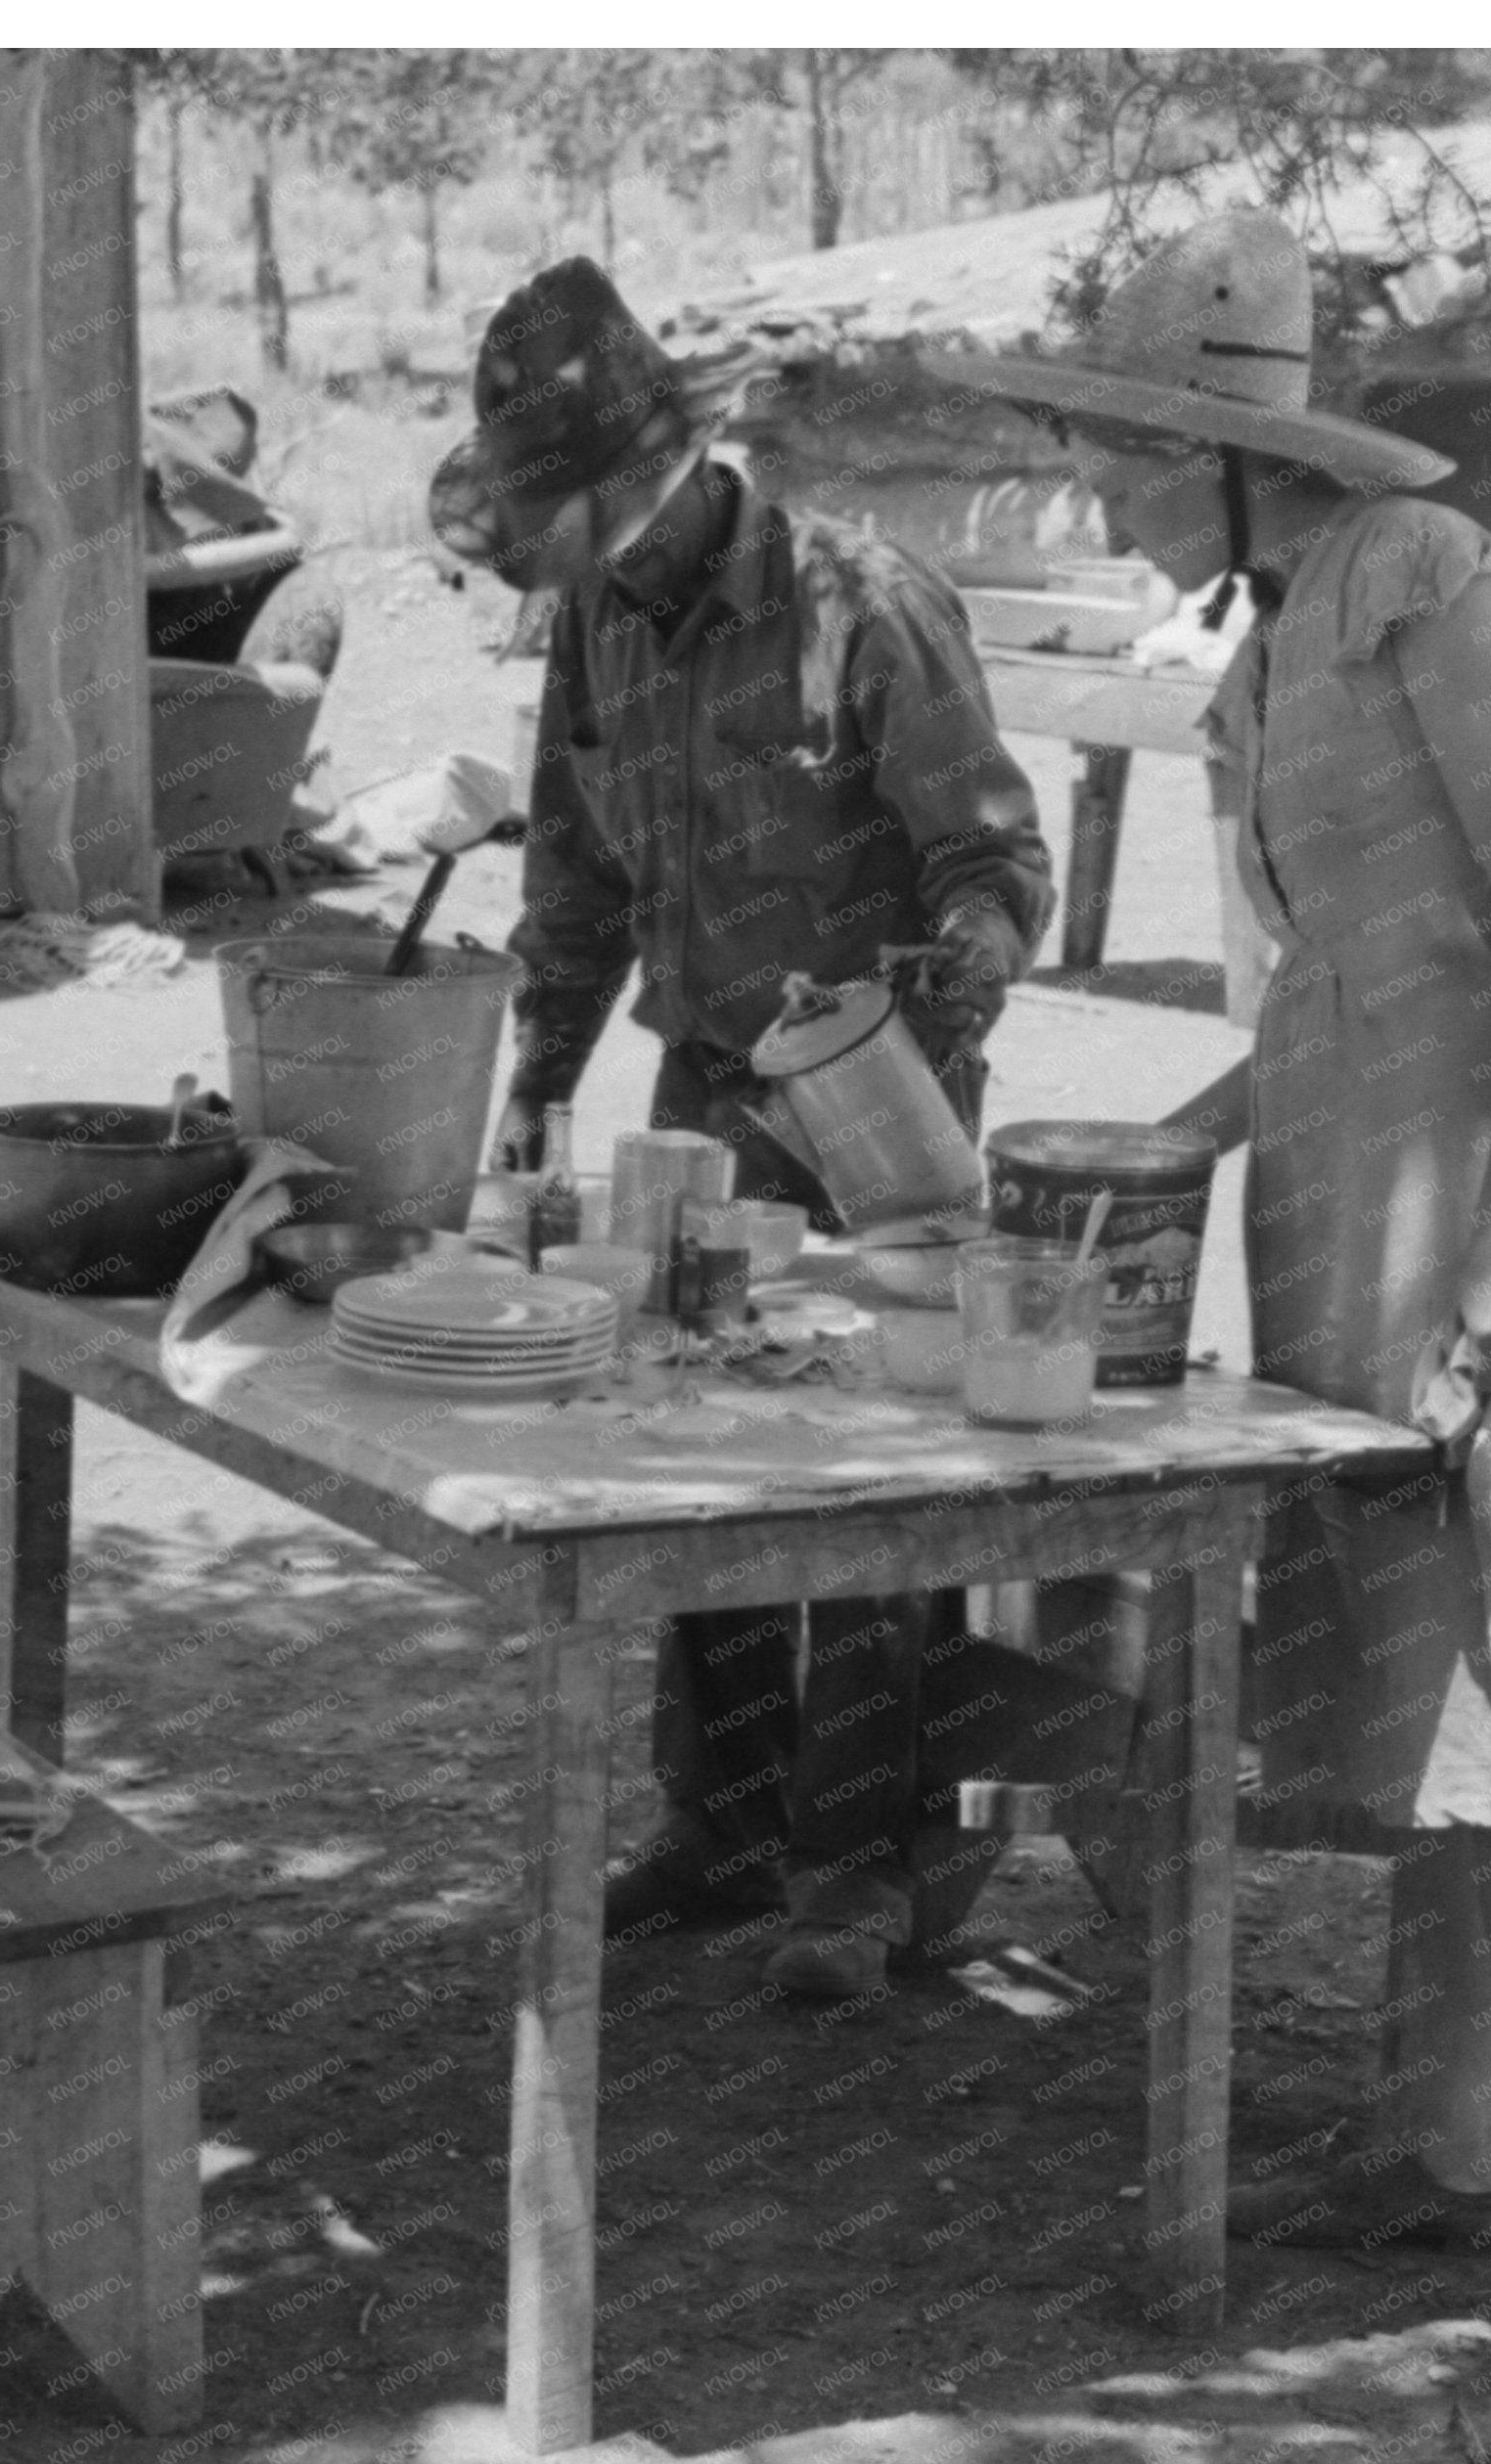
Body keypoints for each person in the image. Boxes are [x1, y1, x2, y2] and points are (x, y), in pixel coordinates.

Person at [926, 209, 1491, 2437]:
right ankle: (1446, 2148)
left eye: (1144, 455)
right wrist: (1152, 1139)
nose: (1113, 496)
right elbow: (1328, 980)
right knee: (1420, 1697)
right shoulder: (1261, 647)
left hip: (1479, 1215)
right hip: (1337, 1225)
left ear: (1252, 455)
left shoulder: (1419, 585)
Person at [431, 257, 1057, 2000]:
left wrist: (940, 1008)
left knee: (859, 1490)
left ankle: (862, 1868)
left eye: (579, 533)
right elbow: (569, 887)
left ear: (649, 483)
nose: (573, 571)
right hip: (700, 1093)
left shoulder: (864, 600)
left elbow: (996, 859)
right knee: (685, 1449)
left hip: (879, 1104)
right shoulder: (598, 626)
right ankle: (725, 1822)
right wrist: (533, 1108)